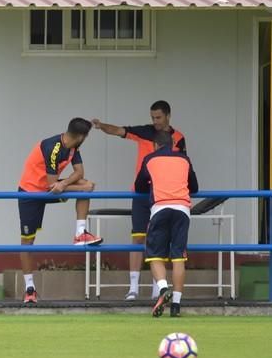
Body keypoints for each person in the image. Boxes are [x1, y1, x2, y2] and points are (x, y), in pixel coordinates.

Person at [92, 100, 186, 301]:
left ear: (168, 115)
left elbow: (184, 165)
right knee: (137, 238)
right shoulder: (145, 132)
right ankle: (133, 288)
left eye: (158, 117)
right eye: (152, 117)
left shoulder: (179, 138)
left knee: (161, 241)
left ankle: (156, 289)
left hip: (165, 195)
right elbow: (119, 131)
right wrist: (101, 126)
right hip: (142, 195)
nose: (155, 121)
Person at [18, 118, 103, 304]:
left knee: (85, 183)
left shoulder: (73, 147)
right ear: (81, 136)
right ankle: (29, 289)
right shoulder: (53, 148)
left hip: (50, 187)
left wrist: (65, 183)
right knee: (27, 241)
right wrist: (78, 188)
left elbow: (78, 173)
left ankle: (80, 233)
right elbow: (51, 186)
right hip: (31, 192)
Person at [134, 130, 198, 317]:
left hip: (160, 208)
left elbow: (139, 186)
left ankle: (163, 289)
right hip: (182, 210)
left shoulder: (149, 159)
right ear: (173, 144)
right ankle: (176, 306)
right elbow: (194, 187)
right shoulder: (184, 159)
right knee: (179, 257)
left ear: (155, 145)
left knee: (154, 255)